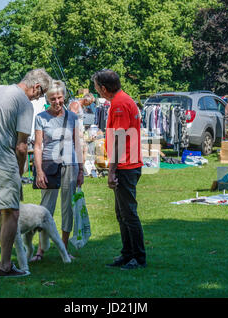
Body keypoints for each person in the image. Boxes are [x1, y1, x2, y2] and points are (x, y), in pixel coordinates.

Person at [0, 68, 52, 277]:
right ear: (36, 87)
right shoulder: (24, 104)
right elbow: (21, 146)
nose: (40, 98)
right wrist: (18, 171)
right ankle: (6, 266)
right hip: (1, 161)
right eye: (41, 93)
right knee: (11, 213)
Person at [92, 69, 146, 270]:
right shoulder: (121, 101)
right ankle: (127, 254)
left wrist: (112, 170)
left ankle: (138, 258)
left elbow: (119, 140)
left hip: (126, 166)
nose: (96, 90)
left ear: (104, 88)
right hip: (127, 164)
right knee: (122, 213)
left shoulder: (120, 104)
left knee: (128, 214)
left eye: (97, 87)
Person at [32, 80, 84, 261]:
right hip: (49, 165)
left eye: (59, 97)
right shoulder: (40, 117)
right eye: (53, 98)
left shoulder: (73, 117)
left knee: (67, 208)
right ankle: (41, 250)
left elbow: (78, 145)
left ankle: (64, 248)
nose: (57, 101)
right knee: (45, 209)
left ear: (64, 96)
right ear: (47, 99)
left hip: (70, 165)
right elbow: (38, 146)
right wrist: (39, 171)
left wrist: (81, 170)